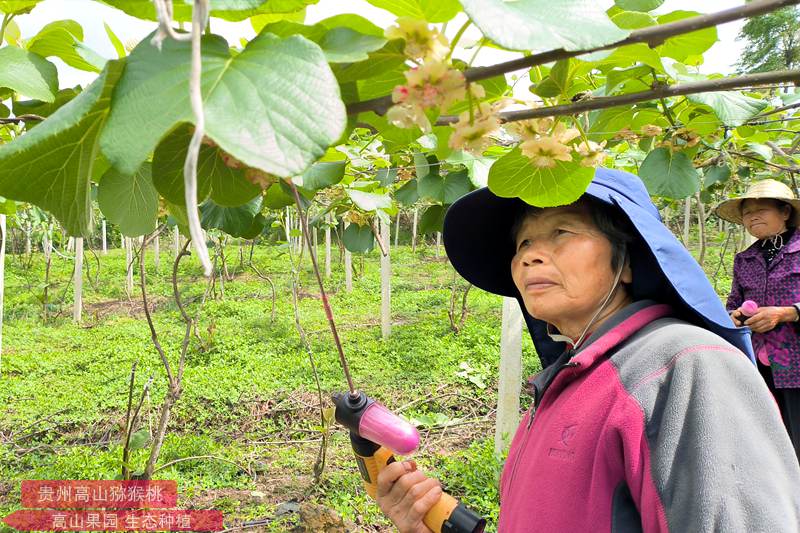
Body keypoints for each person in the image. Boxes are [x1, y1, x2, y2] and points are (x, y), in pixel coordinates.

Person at [375, 168, 800, 532]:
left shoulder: (687, 368)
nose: (530, 257)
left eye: (561, 232)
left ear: (628, 260)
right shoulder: (571, 377)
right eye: (522, 244)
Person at [716, 178, 800, 462]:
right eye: (747, 212)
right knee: (770, 437)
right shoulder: (745, 259)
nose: (752, 216)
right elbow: (733, 304)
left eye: (760, 209)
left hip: (796, 363)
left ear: (785, 212)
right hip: (760, 364)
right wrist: (736, 316)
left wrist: (787, 312)